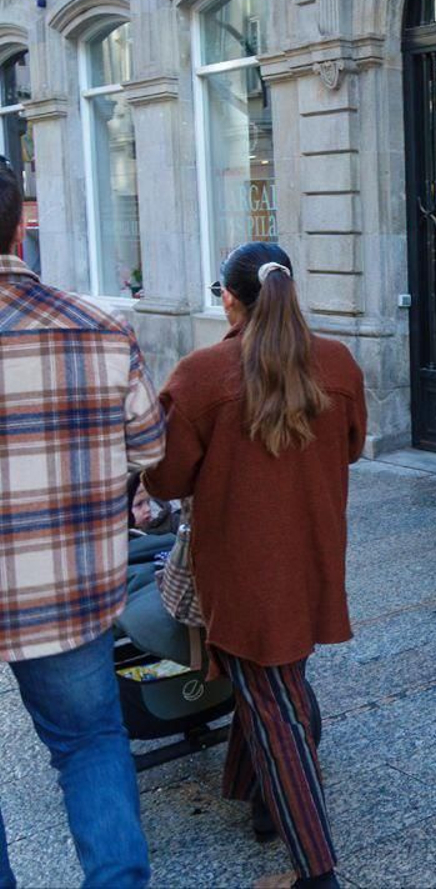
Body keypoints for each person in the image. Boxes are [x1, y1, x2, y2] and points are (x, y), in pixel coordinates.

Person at [143, 243, 367, 889]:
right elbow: (351, 445)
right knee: (274, 677)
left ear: (228, 298)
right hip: (313, 553)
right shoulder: (337, 362)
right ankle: (262, 800)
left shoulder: (202, 373)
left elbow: (164, 479)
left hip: (242, 567)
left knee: (278, 702)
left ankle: (316, 869)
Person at [0, 165, 165, 889]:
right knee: (91, 744)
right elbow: (150, 449)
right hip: (64, 589)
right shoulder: (101, 326)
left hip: (56, 586)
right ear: (19, 228)